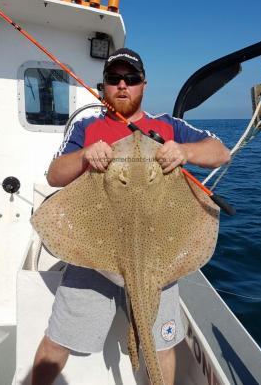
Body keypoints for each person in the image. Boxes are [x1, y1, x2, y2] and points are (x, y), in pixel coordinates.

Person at [31, 48, 230, 385]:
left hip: (158, 255)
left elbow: (221, 152)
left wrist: (185, 151)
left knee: (163, 347)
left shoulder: (167, 126)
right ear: (104, 85)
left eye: (131, 78)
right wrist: (84, 156)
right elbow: (54, 175)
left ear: (143, 85)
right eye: (114, 78)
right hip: (93, 254)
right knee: (58, 339)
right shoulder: (86, 127)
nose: (123, 85)